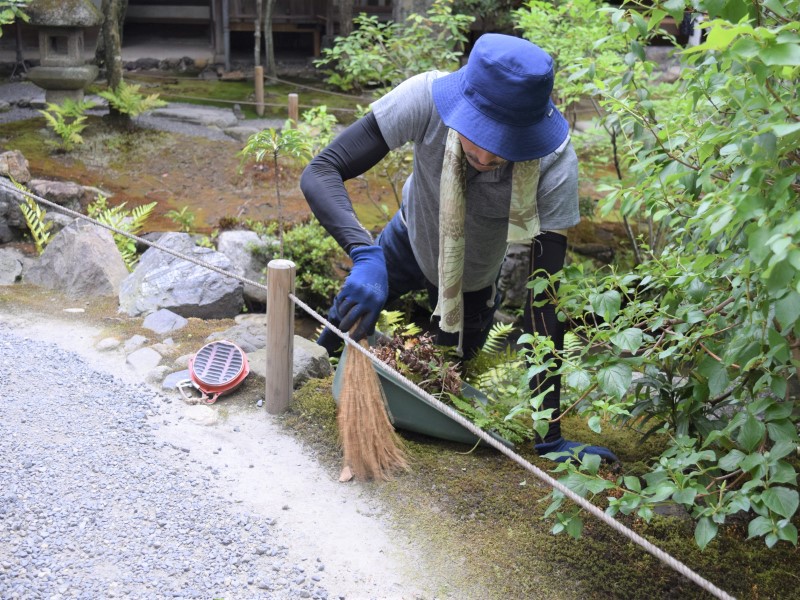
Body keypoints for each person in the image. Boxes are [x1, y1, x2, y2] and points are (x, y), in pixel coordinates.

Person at [300, 33, 617, 464]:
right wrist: (364, 254)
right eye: (478, 132)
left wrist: (550, 435)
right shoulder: (426, 98)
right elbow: (322, 170)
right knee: (339, 331)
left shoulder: (553, 160)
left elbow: (544, 302)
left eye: (505, 143)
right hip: (407, 238)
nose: (485, 156)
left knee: (443, 379)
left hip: (474, 280)